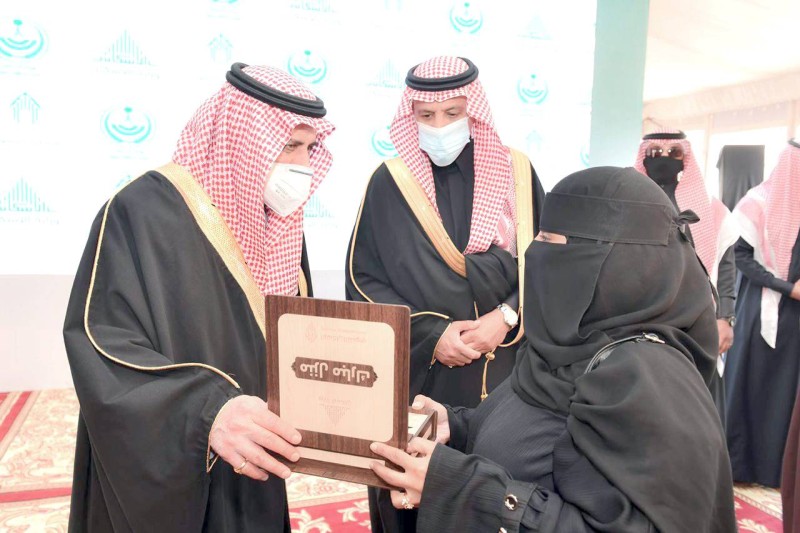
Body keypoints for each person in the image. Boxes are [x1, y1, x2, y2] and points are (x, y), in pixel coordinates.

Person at [369, 166, 737, 532]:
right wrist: (458, 425)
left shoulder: (650, 379)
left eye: (549, 238)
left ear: (608, 260)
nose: (534, 252)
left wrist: (465, 490)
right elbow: (537, 438)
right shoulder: (568, 347)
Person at [63, 63, 335, 532]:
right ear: (243, 139)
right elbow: (102, 344)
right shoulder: (139, 211)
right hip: (170, 459)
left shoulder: (279, 222)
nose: (303, 166)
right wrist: (208, 413)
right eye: (289, 146)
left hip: (254, 455)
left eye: (310, 149)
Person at [345, 55, 543, 532]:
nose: (439, 127)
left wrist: (507, 316)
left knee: (496, 498)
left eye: (452, 114)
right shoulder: (391, 183)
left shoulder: (517, 173)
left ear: (473, 111)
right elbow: (362, 283)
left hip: (506, 373)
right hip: (422, 377)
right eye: (426, 115)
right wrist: (432, 335)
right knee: (409, 500)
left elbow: (545, 263)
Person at [634, 129, 739, 424]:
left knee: (697, 408)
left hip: (697, 320)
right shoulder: (629, 204)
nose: (664, 158)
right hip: (641, 318)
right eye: (655, 152)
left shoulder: (710, 208)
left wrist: (725, 318)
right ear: (643, 156)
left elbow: (726, 265)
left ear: (686, 158)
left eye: (674, 152)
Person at [725, 139, 800, 489]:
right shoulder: (757, 202)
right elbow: (740, 257)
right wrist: (785, 287)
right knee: (751, 385)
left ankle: (776, 471)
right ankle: (741, 467)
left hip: (795, 318)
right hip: (760, 310)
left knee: (785, 393)